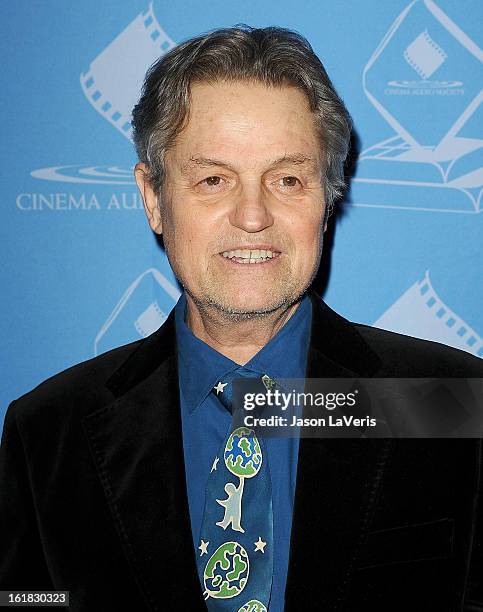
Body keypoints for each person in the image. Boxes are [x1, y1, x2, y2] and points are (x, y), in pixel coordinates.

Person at [1, 25, 482, 612]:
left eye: (287, 179)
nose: (253, 215)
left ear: (327, 198)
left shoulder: (451, 403)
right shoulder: (49, 433)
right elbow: (26, 601)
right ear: (153, 197)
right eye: (213, 179)